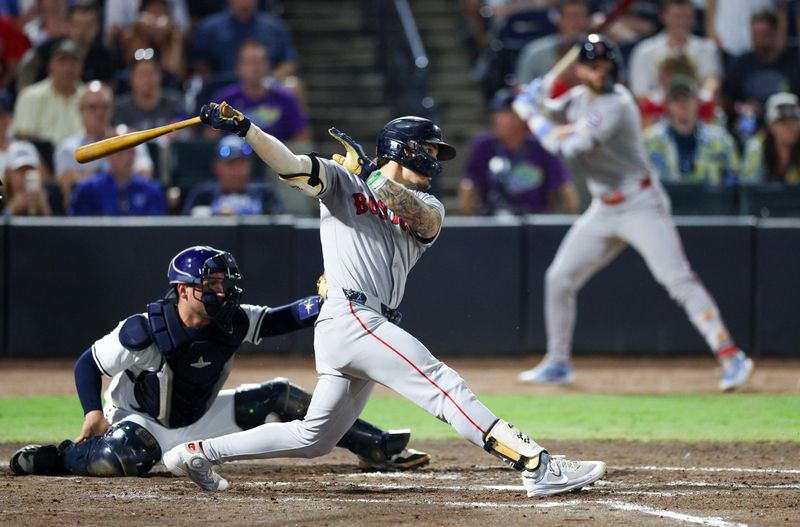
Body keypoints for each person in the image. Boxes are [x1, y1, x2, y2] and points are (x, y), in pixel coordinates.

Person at [161, 101, 607, 496]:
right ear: (405, 149)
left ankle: (197, 452)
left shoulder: (429, 205)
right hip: (352, 317)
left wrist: (370, 174)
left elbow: (414, 214)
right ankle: (535, 465)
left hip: (364, 322)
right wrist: (247, 129)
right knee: (442, 384)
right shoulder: (341, 181)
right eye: (429, 150)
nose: (434, 160)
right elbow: (290, 164)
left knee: (314, 438)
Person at [9, 246, 429, 477]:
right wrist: (93, 413)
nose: (223, 289)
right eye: (212, 282)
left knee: (280, 394)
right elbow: (88, 364)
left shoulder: (231, 321)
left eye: (224, 281)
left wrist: (328, 301)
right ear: (185, 289)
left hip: (203, 417)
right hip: (141, 422)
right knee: (120, 457)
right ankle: (57, 457)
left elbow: (282, 319)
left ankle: (374, 446)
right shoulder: (144, 329)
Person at [512, 34, 753, 390]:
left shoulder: (617, 105)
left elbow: (568, 145)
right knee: (559, 278)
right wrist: (535, 98)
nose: (601, 73)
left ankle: (731, 355)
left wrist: (531, 112)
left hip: (641, 204)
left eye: (606, 66)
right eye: (593, 67)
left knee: (677, 280)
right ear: (580, 70)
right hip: (604, 207)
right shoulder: (578, 98)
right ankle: (559, 361)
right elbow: (552, 112)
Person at [459, 88, 578, 215]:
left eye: (503, 113)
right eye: (495, 113)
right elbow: (468, 183)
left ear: (521, 117)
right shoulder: (483, 145)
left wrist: (568, 223)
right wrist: (470, 224)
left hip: (533, 221)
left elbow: (565, 186)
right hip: (493, 220)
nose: (496, 118)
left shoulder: (542, 146)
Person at [55, 81, 153, 210]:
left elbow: (144, 178)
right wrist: (117, 173)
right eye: (93, 107)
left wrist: (86, 175)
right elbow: (70, 190)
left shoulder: (129, 139)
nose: (99, 113)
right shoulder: (68, 148)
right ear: (80, 109)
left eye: (104, 106)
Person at [211, 40, 310, 148]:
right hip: (237, 160)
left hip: (276, 159)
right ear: (238, 67)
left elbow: (302, 137)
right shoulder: (225, 99)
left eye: (260, 62)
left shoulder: (285, 98)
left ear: (267, 66)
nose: (256, 68)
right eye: (250, 62)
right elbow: (210, 137)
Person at [643, 75, 740, 185]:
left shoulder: (721, 140)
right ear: (668, 105)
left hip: (708, 199)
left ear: (697, 102)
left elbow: (733, 175)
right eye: (676, 99)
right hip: (667, 198)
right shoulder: (650, 141)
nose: (682, 104)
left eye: (687, 98)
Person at [722, 9, 800, 143]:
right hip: (753, 119)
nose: (760, 40)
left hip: (786, 118)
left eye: (765, 34)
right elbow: (727, 100)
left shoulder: (794, 61)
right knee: (743, 124)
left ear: (775, 32)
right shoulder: (741, 63)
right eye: (755, 34)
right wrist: (741, 107)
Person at [628, 0, 722, 105]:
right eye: (676, 16)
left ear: (693, 17)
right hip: (658, 114)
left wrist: (701, 99)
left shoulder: (707, 49)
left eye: (685, 16)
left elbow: (711, 83)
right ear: (663, 16)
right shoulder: (644, 51)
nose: (681, 22)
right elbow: (640, 94)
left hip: (697, 111)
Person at [189, 0, 298, 82]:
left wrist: (272, 79)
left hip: (265, 84)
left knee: (293, 84)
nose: (245, 2)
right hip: (222, 84)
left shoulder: (275, 27)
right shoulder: (209, 27)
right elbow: (198, 60)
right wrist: (209, 78)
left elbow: (289, 61)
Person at [69, 125, 166, 216]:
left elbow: (157, 229)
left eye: (130, 151)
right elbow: (78, 228)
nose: (126, 157)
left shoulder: (151, 190)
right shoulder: (88, 189)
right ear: (107, 154)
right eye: (119, 152)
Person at [182, 135, 285, 215]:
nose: (238, 171)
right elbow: (187, 227)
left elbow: (281, 223)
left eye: (242, 164)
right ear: (216, 167)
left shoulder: (265, 194)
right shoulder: (203, 195)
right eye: (231, 165)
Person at [11, 38, 84, 145]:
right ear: (50, 65)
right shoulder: (30, 96)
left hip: (84, 158)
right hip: (42, 159)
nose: (68, 68)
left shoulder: (91, 98)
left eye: (73, 62)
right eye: (62, 62)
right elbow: (23, 137)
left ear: (81, 67)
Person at [514, 0, 590, 86]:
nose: (576, 21)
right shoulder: (535, 51)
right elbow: (522, 87)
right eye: (570, 16)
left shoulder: (596, 49)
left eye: (580, 16)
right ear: (558, 19)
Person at [112, 53, 186, 133]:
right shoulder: (120, 108)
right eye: (142, 74)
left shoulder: (175, 103)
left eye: (151, 74)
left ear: (160, 76)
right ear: (131, 79)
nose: (147, 80)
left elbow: (186, 127)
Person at [740, 92, 800, 184]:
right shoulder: (756, 148)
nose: (790, 127)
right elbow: (750, 189)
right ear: (770, 126)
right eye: (783, 122)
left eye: (794, 121)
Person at [1, 139, 62, 215]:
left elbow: (60, 225)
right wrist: (11, 210)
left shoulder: (52, 195)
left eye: (31, 169)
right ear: (9, 174)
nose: (26, 175)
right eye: (21, 170)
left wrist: (44, 207)